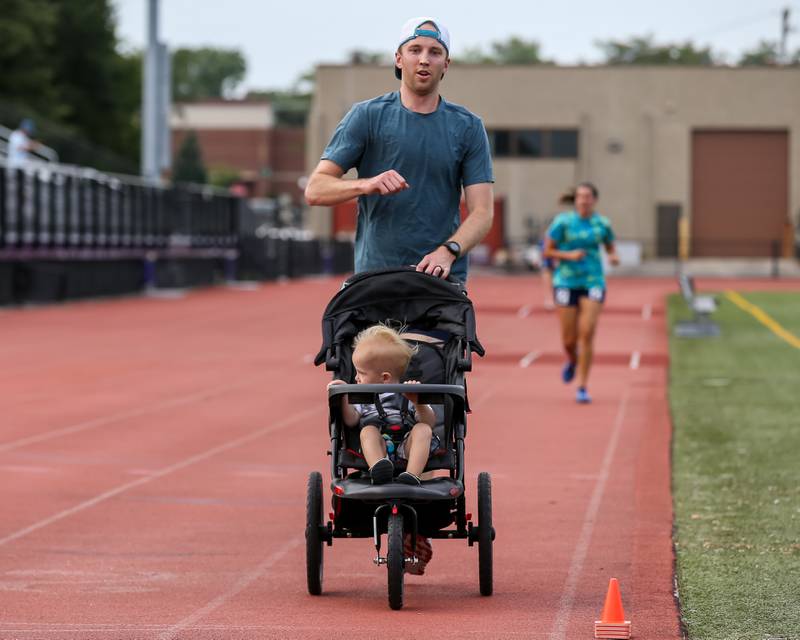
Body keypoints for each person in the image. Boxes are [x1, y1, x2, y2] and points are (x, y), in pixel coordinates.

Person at [304, 16, 495, 283]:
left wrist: (448, 251)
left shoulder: (468, 126)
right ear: (398, 58)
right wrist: (367, 184)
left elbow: (483, 212)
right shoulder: (366, 116)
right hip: (376, 276)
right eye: (415, 50)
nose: (424, 59)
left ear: (446, 65)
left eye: (435, 52)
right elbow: (315, 190)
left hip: (440, 278)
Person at [327, 324, 438, 486]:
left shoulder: (409, 391)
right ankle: (378, 468)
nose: (356, 378)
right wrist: (342, 396)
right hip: (378, 447)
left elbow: (429, 421)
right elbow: (351, 420)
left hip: (407, 446)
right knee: (367, 431)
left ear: (385, 378)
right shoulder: (363, 396)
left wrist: (417, 401)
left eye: (361, 373)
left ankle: (412, 475)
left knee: (424, 429)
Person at [543, 182, 619, 404]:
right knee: (569, 339)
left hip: (593, 281)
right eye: (580, 196)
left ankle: (582, 386)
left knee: (587, 333)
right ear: (575, 200)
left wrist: (613, 256)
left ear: (594, 199)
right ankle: (572, 359)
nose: (584, 200)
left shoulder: (602, 223)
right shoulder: (563, 222)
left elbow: (610, 246)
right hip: (565, 281)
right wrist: (569, 255)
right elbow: (547, 250)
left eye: (588, 196)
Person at [539, 188, 575, 310]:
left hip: (568, 241)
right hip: (554, 239)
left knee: (562, 266)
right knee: (548, 268)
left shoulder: (583, 211)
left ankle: (569, 293)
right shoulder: (563, 212)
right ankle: (549, 298)